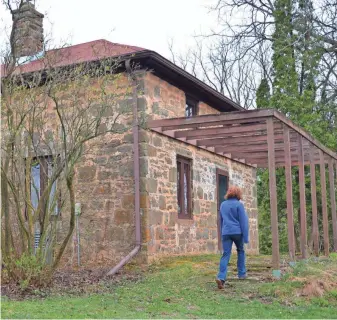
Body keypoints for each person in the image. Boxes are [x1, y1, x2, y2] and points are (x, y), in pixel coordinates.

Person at [216, 186, 249, 289]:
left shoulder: (223, 205)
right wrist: (246, 237)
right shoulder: (239, 205)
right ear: (238, 194)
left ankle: (221, 277)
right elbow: (243, 222)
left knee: (226, 254)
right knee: (240, 251)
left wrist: (222, 233)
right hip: (237, 232)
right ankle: (242, 273)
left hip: (226, 232)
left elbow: (220, 221)